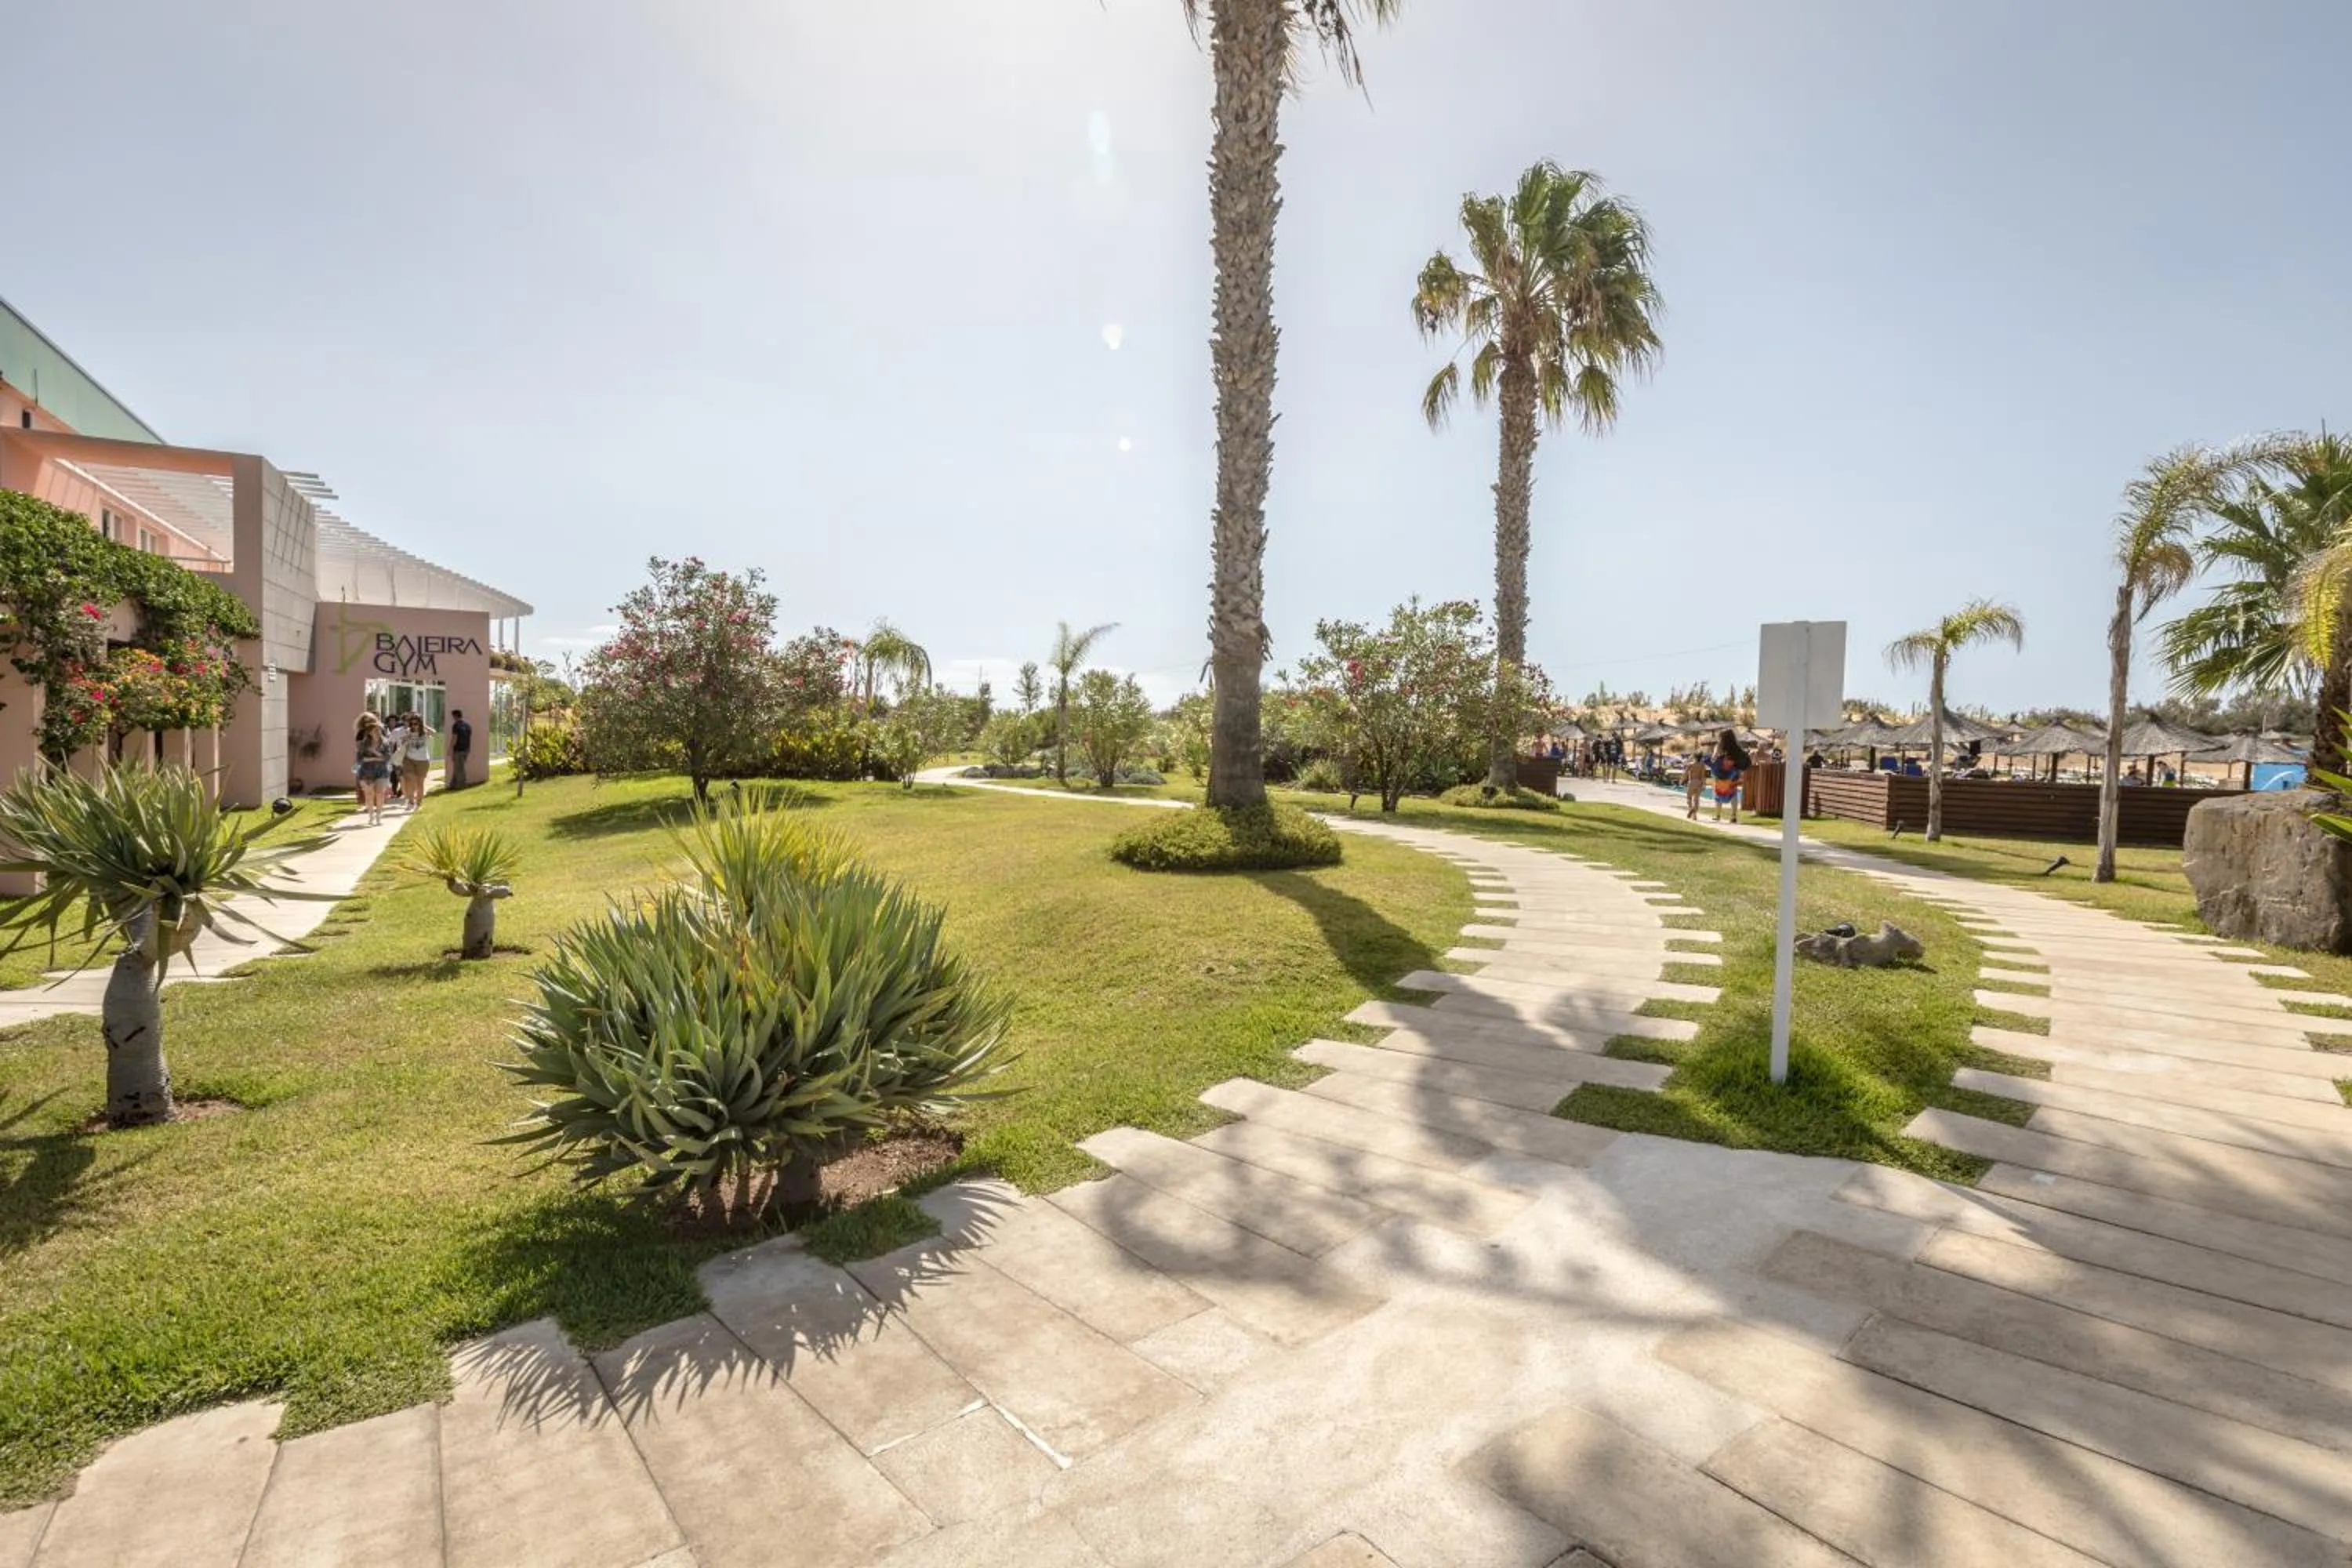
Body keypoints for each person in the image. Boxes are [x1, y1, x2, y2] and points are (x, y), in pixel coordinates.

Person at [354, 713, 391, 826]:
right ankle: (371, 816)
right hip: (367, 772)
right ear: (369, 732)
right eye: (375, 730)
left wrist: (374, 754)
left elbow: (388, 757)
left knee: (380, 793)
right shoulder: (364, 744)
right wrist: (378, 758)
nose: (377, 732)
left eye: (379, 730)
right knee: (369, 794)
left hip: (382, 771)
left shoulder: (385, 742)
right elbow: (360, 759)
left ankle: (379, 816)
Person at [1708, 728, 1751, 823]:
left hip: (1722, 772)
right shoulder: (1737, 748)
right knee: (1733, 794)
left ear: (1722, 738)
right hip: (1734, 773)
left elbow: (1713, 759)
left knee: (1718, 792)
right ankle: (1733, 816)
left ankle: (1718, 815)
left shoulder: (1719, 746)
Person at [398, 713, 435, 810]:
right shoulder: (408, 731)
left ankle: (418, 803)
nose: (414, 726)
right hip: (409, 759)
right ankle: (411, 802)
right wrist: (406, 738)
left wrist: (424, 726)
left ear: (420, 723)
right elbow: (402, 742)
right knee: (410, 780)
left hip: (423, 760)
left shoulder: (425, 732)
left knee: (420, 783)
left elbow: (434, 733)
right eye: (412, 724)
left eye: (416, 724)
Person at [447, 708, 474, 790]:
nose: (453, 718)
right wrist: (468, 749)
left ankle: (462, 785)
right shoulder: (467, 726)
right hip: (466, 749)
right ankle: (453, 784)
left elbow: (455, 738)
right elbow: (469, 738)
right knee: (457, 767)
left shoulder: (456, 725)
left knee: (459, 768)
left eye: (453, 716)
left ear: (455, 716)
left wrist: (450, 749)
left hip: (458, 750)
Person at [1682, 752, 1708, 819]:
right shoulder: (1702, 765)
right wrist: (1704, 784)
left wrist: (1682, 780)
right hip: (1699, 783)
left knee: (1689, 798)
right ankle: (1694, 815)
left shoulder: (1691, 765)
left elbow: (1685, 773)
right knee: (1696, 800)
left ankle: (1691, 809)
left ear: (1695, 757)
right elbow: (1703, 776)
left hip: (1692, 782)